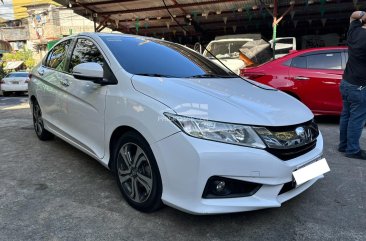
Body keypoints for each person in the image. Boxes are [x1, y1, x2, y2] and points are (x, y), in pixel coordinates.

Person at [339, 11, 366, 159]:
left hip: (346, 82)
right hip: (360, 87)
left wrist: (362, 14)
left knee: (346, 116)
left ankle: (343, 145)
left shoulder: (354, 31)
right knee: (356, 119)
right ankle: (352, 150)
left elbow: (353, 15)